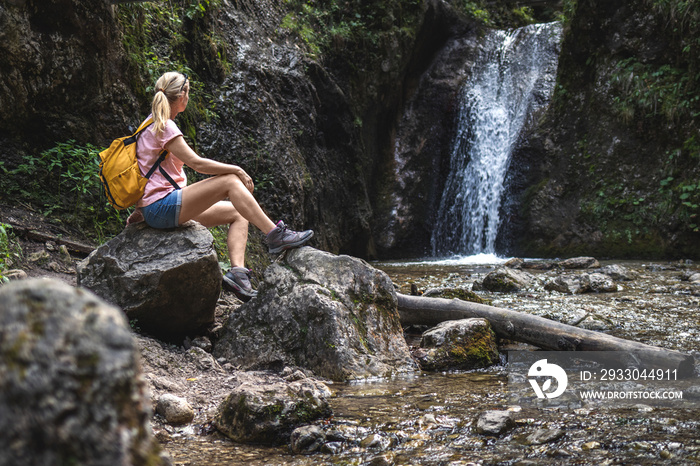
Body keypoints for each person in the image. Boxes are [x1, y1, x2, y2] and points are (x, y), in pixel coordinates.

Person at [128, 71, 313, 302]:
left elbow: (145, 169)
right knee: (229, 182)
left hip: (158, 208)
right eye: (189, 92)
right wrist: (235, 169)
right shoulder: (165, 126)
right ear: (182, 95)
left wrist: (140, 208)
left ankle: (238, 273)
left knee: (238, 212)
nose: (189, 97)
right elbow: (196, 163)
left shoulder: (150, 123)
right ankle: (276, 236)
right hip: (162, 207)